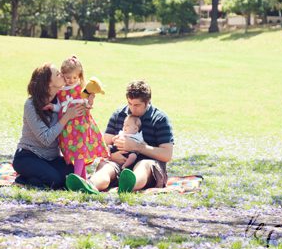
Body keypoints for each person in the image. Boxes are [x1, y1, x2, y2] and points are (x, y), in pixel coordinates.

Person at [82, 79, 175, 194]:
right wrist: (111, 155)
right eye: (130, 103)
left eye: (137, 105)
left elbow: (167, 155)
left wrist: (138, 147)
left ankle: (128, 186)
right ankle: (89, 185)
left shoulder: (160, 119)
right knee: (107, 168)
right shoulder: (119, 114)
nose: (132, 108)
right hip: (120, 162)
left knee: (144, 165)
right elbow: (104, 144)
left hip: (148, 164)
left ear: (148, 101)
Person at [12, 63, 90, 189]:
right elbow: (46, 139)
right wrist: (67, 116)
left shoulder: (61, 99)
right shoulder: (31, 105)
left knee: (73, 172)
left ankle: (31, 178)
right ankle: (24, 178)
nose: (63, 75)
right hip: (28, 156)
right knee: (56, 180)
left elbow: (81, 93)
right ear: (48, 83)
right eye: (58, 74)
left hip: (51, 158)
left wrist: (86, 105)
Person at [56, 53, 109, 183]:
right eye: (68, 77)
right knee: (74, 152)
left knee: (80, 151)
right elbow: (59, 106)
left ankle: (77, 179)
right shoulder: (60, 91)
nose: (71, 80)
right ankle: (83, 179)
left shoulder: (81, 89)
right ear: (62, 75)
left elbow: (87, 105)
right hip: (67, 128)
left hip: (81, 126)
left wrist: (90, 101)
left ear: (79, 76)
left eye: (75, 77)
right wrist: (52, 107)